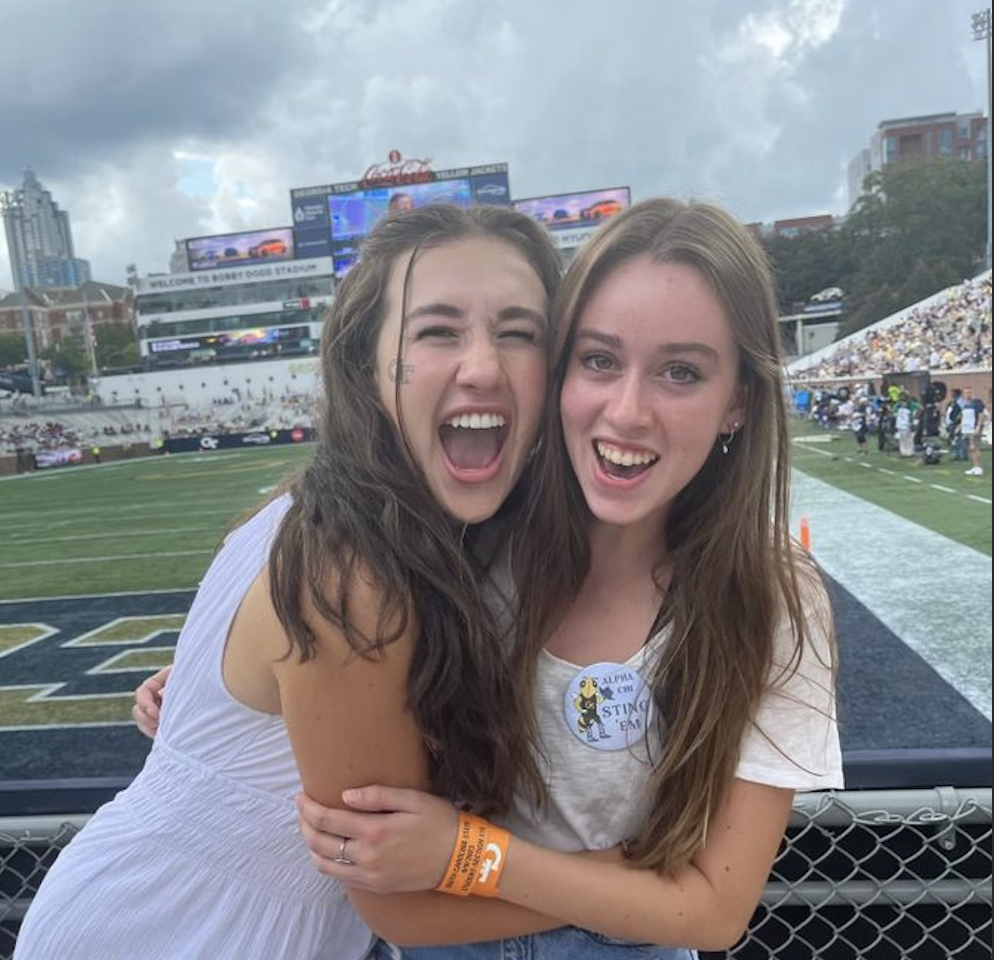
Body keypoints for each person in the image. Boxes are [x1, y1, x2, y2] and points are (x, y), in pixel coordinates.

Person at [14, 204, 564, 960]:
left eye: (519, 331)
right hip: (177, 929)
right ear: (369, 366)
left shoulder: (316, 508)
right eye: (437, 330)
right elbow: (403, 905)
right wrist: (647, 898)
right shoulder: (354, 576)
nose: (483, 365)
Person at [294, 199, 842, 957]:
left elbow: (716, 910)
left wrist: (466, 854)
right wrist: (220, 673)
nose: (627, 411)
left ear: (738, 402)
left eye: (681, 372)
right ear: (557, 370)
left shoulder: (772, 592)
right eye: (599, 360)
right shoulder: (467, 527)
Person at [961, 385, 988, 476]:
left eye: (968, 393)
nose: (966, 395)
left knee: (974, 447)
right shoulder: (966, 404)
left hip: (975, 427)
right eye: (965, 393)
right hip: (967, 428)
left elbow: (981, 415)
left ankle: (978, 467)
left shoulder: (977, 402)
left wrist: (978, 427)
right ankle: (975, 466)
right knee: (971, 448)